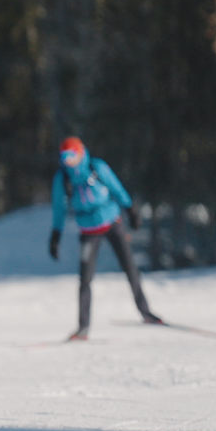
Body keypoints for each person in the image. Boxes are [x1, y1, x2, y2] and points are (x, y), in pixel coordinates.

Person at [49, 136, 160, 338]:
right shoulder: (62, 178)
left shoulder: (96, 167)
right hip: (88, 231)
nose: (68, 160)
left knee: (130, 268)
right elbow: (59, 207)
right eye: (64, 156)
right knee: (85, 279)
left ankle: (146, 312)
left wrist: (130, 209)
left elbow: (116, 188)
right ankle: (83, 327)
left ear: (80, 152)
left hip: (112, 223)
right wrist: (56, 234)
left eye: (71, 155)